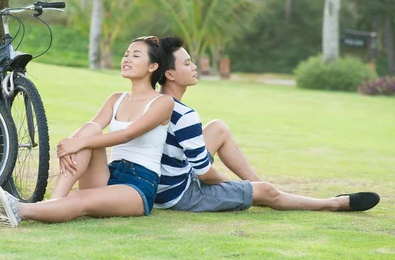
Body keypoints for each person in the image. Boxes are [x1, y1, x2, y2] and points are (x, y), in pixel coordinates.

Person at [154, 35, 380, 213]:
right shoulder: (185, 115)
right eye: (187, 63)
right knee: (267, 192)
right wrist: (226, 184)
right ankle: (334, 203)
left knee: (218, 128)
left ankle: (257, 187)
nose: (194, 67)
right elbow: (206, 176)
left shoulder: (152, 103)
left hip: (164, 184)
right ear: (170, 74)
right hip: (181, 195)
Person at [0, 36, 174, 227]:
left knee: (80, 198)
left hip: (138, 185)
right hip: (108, 174)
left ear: (153, 66)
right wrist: (69, 144)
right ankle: (54, 202)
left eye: (135, 55)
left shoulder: (163, 102)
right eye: (126, 54)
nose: (127, 59)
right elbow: (90, 129)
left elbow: (128, 135)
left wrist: (78, 143)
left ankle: (20, 210)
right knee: (91, 129)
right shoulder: (116, 99)